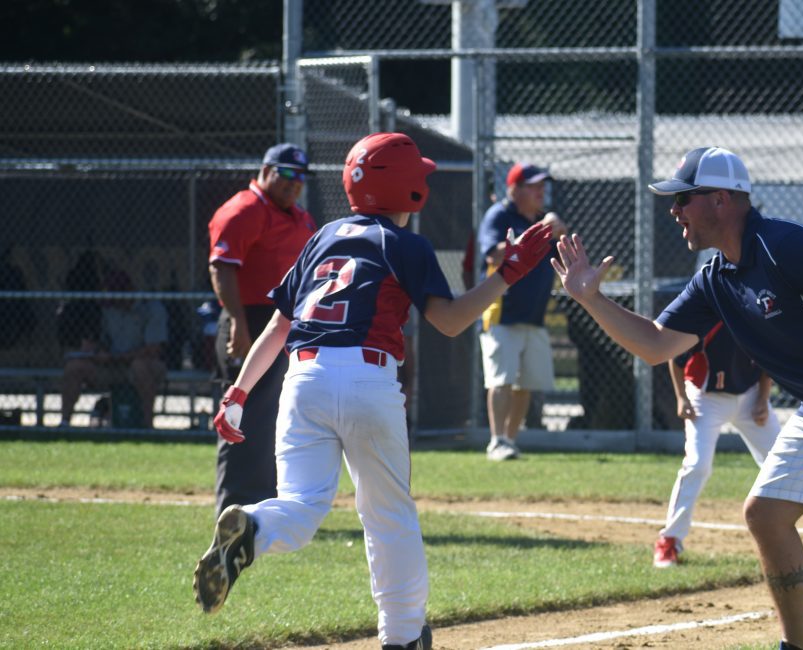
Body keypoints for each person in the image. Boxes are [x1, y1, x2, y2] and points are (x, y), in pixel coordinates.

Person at [550, 146, 803, 649]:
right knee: (764, 514)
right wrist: (592, 299)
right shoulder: (715, 277)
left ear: (720, 200)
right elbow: (656, 345)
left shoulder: (786, 245)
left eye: (683, 199)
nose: (674, 211)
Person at [191, 132, 555, 649]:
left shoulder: (323, 236)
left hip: (302, 378)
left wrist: (239, 393)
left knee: (299, 504)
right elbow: (450, 321)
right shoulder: (405, 243)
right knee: (388, 517)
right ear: (408, 190)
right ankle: (403, 637)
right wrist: (508, 273)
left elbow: (278, 326)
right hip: (367, 379)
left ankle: (252, 524)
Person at [207, 143, 317, 515]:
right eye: (285, 174)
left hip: (287, 324)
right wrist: (237, 322)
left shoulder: (300, 217)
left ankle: (265, 504)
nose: (293, 183)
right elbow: (222, 268)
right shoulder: (245, 209)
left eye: (300, 177)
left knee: (277, 414)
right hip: (251, 321)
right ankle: (233, 506)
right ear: (266, 170)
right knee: (241, 412)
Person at [656, 322, 780, 568]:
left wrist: (763, 400)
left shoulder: (755, 314)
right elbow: (676, 359)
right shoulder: (707, 317)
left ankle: (781, 537)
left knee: (782, 461)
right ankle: (669, 539)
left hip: (750, 395)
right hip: (705, 399)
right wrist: (681, 398)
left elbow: (769, 361)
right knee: (697, 465)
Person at [477, 162, 567, 461]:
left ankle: (510, 441)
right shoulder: (500, 215)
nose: (541, 191)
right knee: (500, 380)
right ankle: (496, 440)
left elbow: (564, 260)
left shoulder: (543, 220)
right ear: (513, 190)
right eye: (533, 186)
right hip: (502, 312)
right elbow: (493, 253)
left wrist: (560, 233)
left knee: (526, 384)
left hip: (534, 315)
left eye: (543, 186)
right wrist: (537, 231)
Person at [59, 270, 168, 427]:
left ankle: (147, 425)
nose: (112, 301)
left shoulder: (151, 308)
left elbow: (153, 350)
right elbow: (101, 341)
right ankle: (64, 422)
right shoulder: (107, 309)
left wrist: (114, 357)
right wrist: (94, 350)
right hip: (111, 367)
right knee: (74, 367)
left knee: (140, 366)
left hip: (144, 366)